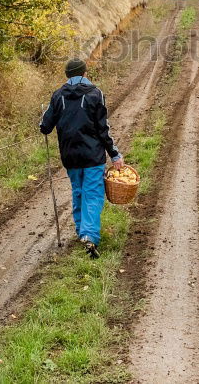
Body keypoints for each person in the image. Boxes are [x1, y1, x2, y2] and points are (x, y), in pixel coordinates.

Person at [39, 58, 123, 259]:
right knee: (93, 193)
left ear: (67, 75)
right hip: (93, 155)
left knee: (78, 191)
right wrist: (114, 154)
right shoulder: (96, 94)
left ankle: (80, 231)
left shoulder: (58, 96)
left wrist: (43, 118)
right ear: (84, 73)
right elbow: (103, 129)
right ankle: (90, 236)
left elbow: (45, 127)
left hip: (70, 156)